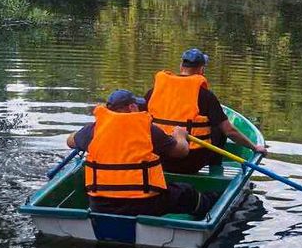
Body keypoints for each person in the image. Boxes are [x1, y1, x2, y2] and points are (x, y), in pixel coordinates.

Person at [66, 89, 220, 218]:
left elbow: (70, 141)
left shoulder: (93, 130)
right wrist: (180, 135)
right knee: (186, 192)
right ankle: (211, 207)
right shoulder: (148, 130)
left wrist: (83, 133)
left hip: (101, 205)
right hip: (144, 205)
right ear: (132, 107)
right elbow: (181, 152)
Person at [145, 47, 267, 174]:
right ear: (202, 70)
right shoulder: (206, 96)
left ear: (181, 66)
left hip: (158, 158)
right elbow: (229, 131)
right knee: (218, 127)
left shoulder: (154, 92)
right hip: (190, 162)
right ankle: (215, 170)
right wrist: (254, 147)